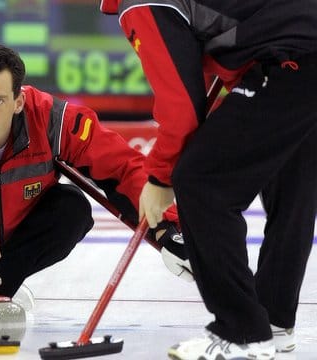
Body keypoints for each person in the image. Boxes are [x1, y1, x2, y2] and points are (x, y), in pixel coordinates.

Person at [100, 1, 317, 358]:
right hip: (300, 52)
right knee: (290, 186)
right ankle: (275, 320)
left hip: (287, 58)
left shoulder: (140, 3)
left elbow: (181, 106)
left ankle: (242, 332)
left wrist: (159, 177)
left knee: (201, 183)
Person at [0, 43, 191, 299]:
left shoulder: (51, 119)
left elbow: (123, 167)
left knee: (72, 208)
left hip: (21, 242)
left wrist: (166, 229)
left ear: (18, 102)